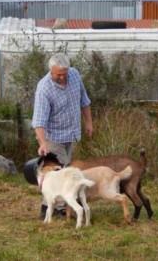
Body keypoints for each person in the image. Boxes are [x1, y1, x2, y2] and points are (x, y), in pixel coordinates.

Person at [27, 52, 93, 218]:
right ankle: (59, 209)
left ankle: (49, 208)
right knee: (63, 173)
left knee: (63, 171)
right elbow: (39, 120)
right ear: (51, 71)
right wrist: (42, 143)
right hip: (53, 137)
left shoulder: (75, 75)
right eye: (58, 75)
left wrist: (88, 123)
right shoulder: (44, 88)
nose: (62, 78)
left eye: (64, 74)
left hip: (71, 134)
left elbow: (84, 101)